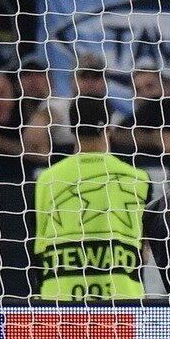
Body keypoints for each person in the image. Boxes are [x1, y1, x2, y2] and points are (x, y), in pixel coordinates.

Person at [34, 95, 150, 301]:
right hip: (122, 303)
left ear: (71, 129)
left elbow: (36, 246)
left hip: (59, 302)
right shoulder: (139, 179)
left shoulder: (45, 180)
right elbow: (145, 251)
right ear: (109, 127)